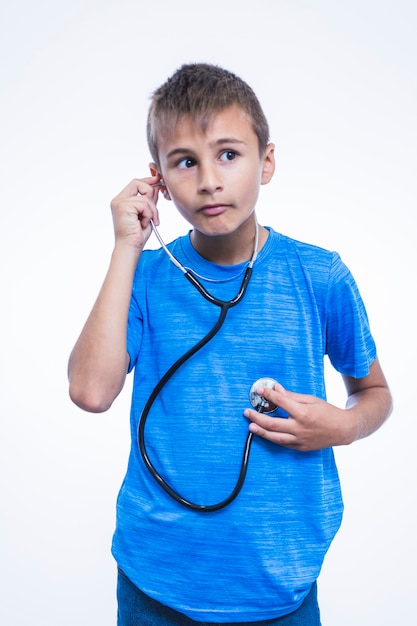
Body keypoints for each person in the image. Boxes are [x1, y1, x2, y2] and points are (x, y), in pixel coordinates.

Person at [68, 63, 392, 625]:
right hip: (156, 580)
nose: (209, 181)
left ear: (266, 162)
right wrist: (127, 246)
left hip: (279, 587)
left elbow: (375, 392)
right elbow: (91, 391)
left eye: (228, 154)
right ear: (159, 182)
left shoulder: (319, 276)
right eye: (186, 162)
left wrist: (340, 426)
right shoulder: (143, 278)